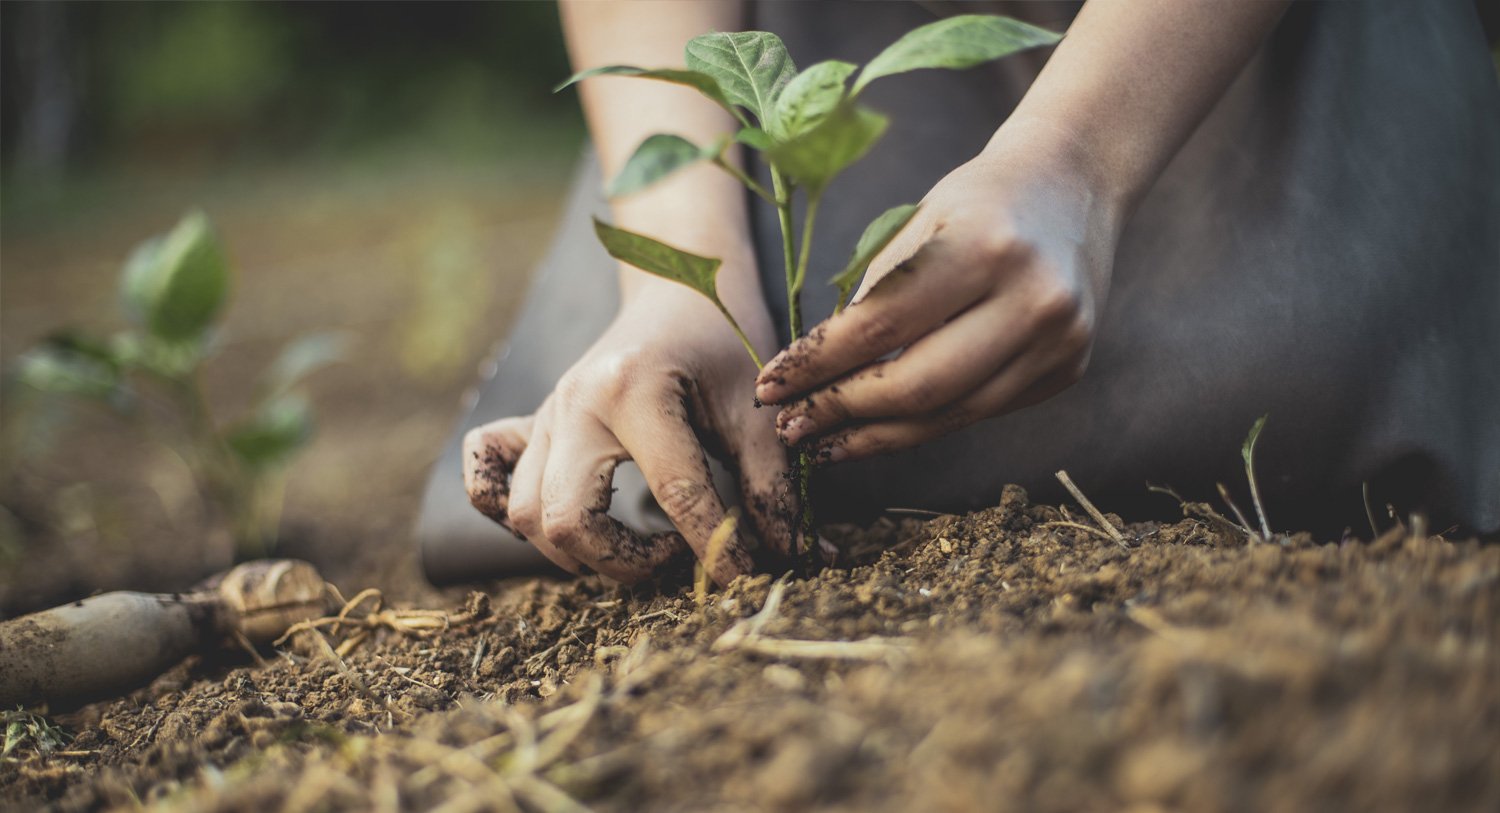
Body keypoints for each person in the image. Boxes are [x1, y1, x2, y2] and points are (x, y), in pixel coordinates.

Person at [416, 0, 1500, 586]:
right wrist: (679, 270)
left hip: (1199, 47)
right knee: (648, 430)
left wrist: (1081, 156)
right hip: (785, 61)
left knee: (1290, 366)